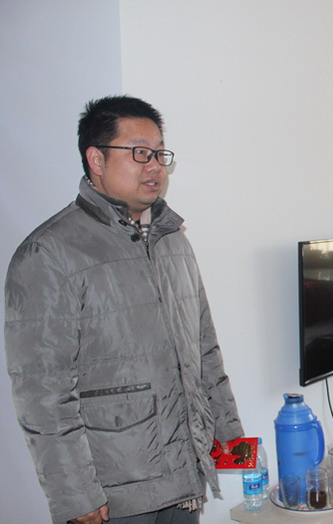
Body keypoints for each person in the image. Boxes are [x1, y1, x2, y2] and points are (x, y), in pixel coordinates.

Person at [4, 95, 244, 524]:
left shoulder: (173, 239)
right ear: (96, 159)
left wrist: (231, 442)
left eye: (159, 154)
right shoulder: (50, 252)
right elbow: (42, 392)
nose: (155, 167)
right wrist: (74, 494)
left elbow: (205, 350)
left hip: (185, 476)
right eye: (139, 153)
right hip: (114, 492)